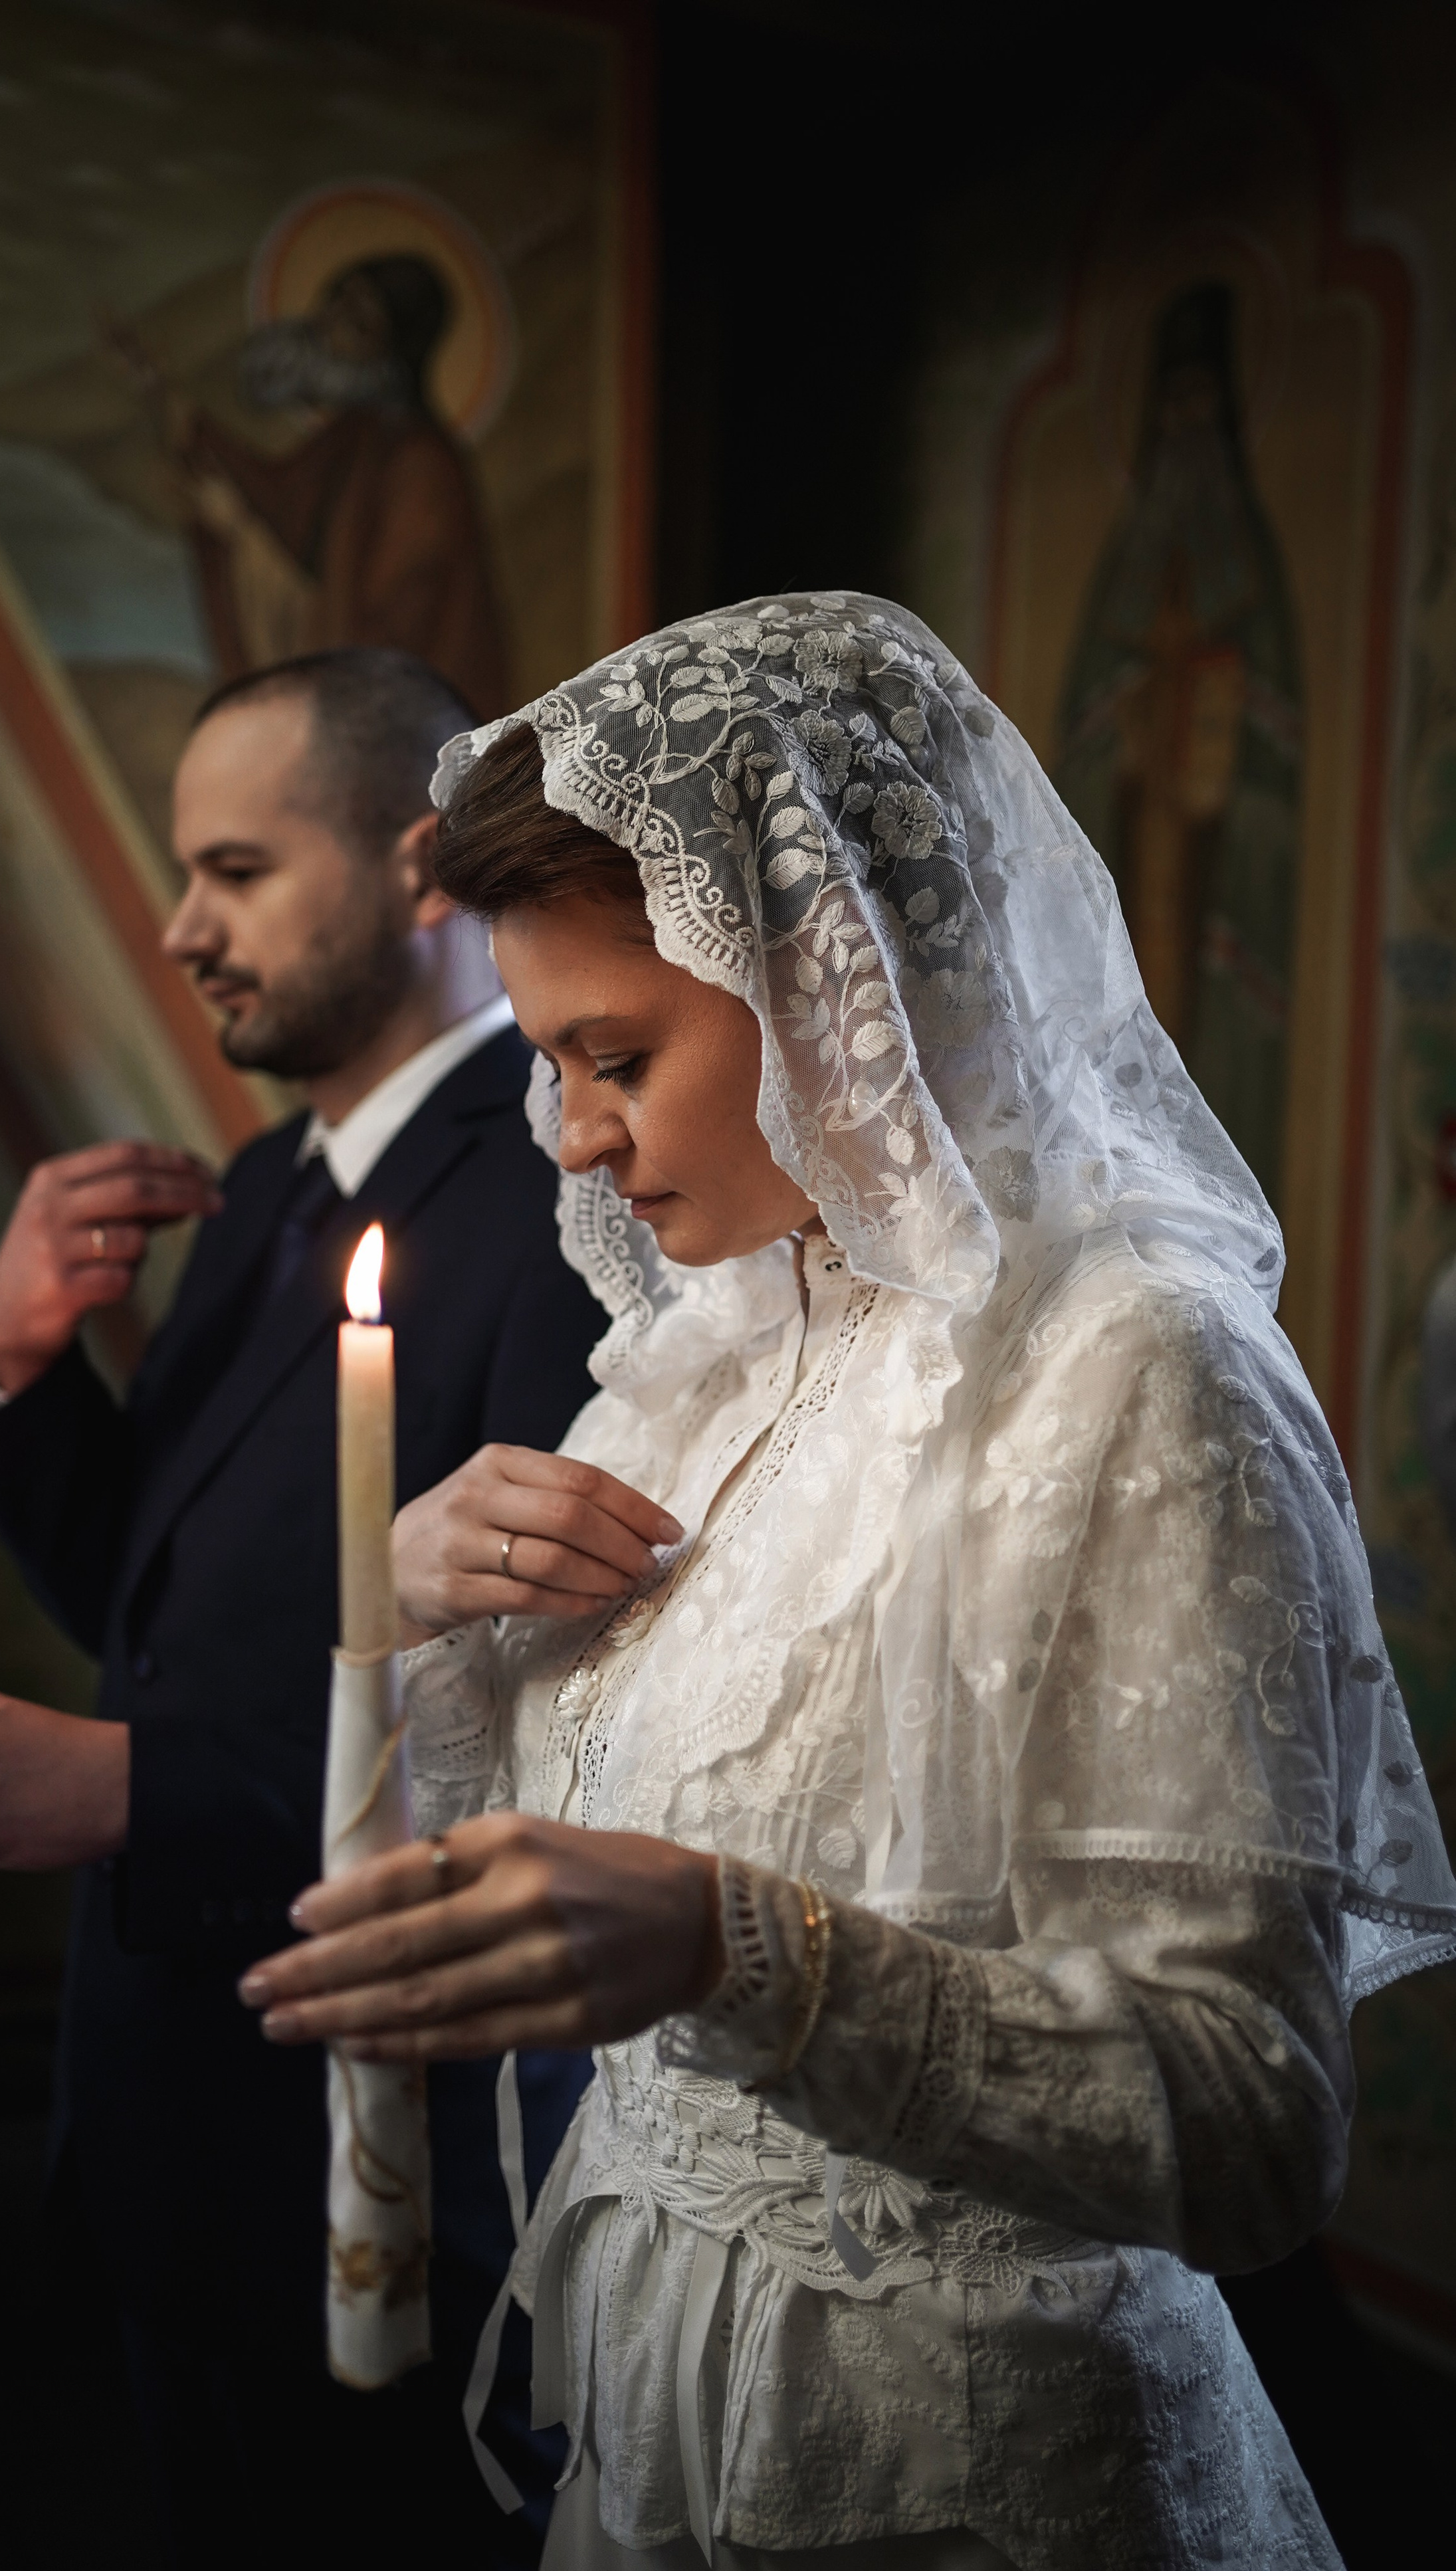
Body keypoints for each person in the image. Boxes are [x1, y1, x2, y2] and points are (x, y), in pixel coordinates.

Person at [239, 595, 1456, 2569]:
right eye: (547, 1055)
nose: (573, 1134)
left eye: (612, 1049)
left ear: (832, 973)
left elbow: (1249, 2122)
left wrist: (747, 1950)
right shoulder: (707, 1345)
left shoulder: (1137, 1365)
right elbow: (523, 1864)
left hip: (979, 2465)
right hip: (655, 2413)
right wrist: (417, 1607)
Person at [0, 648, 601, 2566]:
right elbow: (150, 1614)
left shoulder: (569, 1184)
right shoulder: (271, 1184)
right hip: (171, 2099)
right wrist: (20, 1368)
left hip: (386, 2145)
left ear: (425, 864)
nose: (181, 927)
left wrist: (126, 1787)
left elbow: (559, 1728)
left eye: (238, 870)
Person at [179, 254, 508, 714]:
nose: (326, 329)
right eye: (333, 305)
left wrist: (242, 535)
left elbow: (389, 632)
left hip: (410, 725)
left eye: (357, 321)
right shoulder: (356, 435)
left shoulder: (422, 466)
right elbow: (281, 501)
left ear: (392, 348)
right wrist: (198, 434)